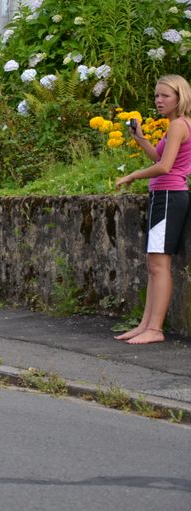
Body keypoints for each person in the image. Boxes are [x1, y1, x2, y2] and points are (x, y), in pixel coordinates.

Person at [115, 74, 191, 345]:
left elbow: (165, 167)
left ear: (179, 98)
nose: (159, 100)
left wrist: (133, 175)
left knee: (160, 265)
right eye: (157, 95)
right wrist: (141, 139)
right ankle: (145, 324)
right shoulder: (176, 126)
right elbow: (160, 157)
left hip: (169, 196)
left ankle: (155, 329)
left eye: (165, 96)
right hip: (163, 196)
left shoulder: (179, 126)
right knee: (153, 265)